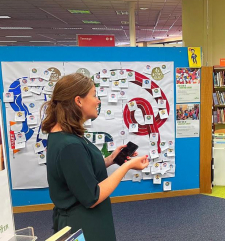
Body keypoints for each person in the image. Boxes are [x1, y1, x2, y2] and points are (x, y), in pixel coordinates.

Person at [42, 73, 149, 241]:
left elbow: (78, 173)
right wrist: (127, 167)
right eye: (94, 95)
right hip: (83, 226)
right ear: (78, 101)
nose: (98, 100)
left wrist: (111, 160)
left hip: (83, 221)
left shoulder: (64, 136)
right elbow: (92, 196)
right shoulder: (70, 145)